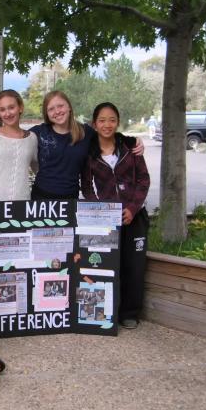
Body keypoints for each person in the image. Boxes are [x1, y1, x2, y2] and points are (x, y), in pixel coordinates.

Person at [0, 90, 143, 199]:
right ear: (47, 114)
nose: (57, 111)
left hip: (70, 198)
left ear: (69, 107)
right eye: (51, 109)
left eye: (60, 106)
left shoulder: (85, 133)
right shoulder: (38, 133)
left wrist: (134, 141)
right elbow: (14, 138)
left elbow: (108, 135)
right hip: (40, 198)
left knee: (66, 250)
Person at [80, 102, 150, 329]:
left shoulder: (131, 147)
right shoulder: (89, 153)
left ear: (117, 122)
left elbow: (143, 180)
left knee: (134, 266)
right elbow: (87, 187)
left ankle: (129, 313)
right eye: (102, 120)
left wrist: (132, 208)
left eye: (111, 120)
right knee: (108, 265)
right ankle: (107, 311)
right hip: (106, 220)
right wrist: (100, 212)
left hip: (134, 217)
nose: (107, 125)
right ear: (94, 124)